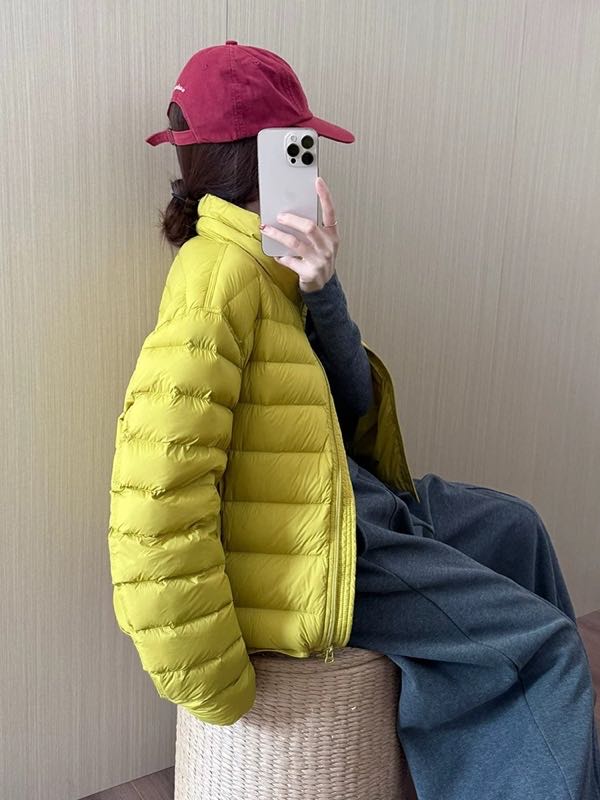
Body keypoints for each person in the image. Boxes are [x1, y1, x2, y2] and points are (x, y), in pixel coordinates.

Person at [108, 41, 600, 799]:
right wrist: (206, 674)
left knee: (516, 528)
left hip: (348, 503)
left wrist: (322, 287)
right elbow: (155, 492)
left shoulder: (274, 265)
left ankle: (542, 763)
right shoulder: (216, 280)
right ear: (262, 158)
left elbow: (350, 409)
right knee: (549, 649)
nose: (312, 170)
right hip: (314, 551)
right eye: (300, 150)